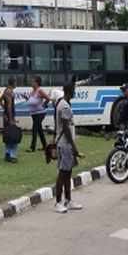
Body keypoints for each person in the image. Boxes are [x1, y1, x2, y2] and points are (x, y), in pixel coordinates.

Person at [54, 81, 84, 213]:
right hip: (64, 144)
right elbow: (66, 128)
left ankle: (68, 200)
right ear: (69, 91)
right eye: (73, 90)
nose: (75, 92)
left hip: (66, 144)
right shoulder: (64, 106)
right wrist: (74, 147)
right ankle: (58, 202)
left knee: (68, 172)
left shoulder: (63, 103)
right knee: (63, 173)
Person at [26, 76, 51, 152]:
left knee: (35, 129)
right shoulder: (32, 92)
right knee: (39, 130)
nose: (31, 83)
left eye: (33, 81)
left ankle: (32, 147)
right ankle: (45, 146)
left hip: (40, 113)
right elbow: (31, 101)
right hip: (33, 113)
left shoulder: (40, 90)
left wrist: (44, 104)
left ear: (37, 83)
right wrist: (26, 98)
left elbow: (48, 98)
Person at [0, 76, 19, 162]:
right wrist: (11, 118)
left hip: (6, 115)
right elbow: (9, 105)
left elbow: (0, 100)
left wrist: (4, 108)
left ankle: (7, 153)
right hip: (9, 116)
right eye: (16, 82)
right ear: (13, 83)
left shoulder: (6, 90)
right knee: (13, 135)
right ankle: (12, 155)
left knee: (8, 134)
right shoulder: (9, 91)